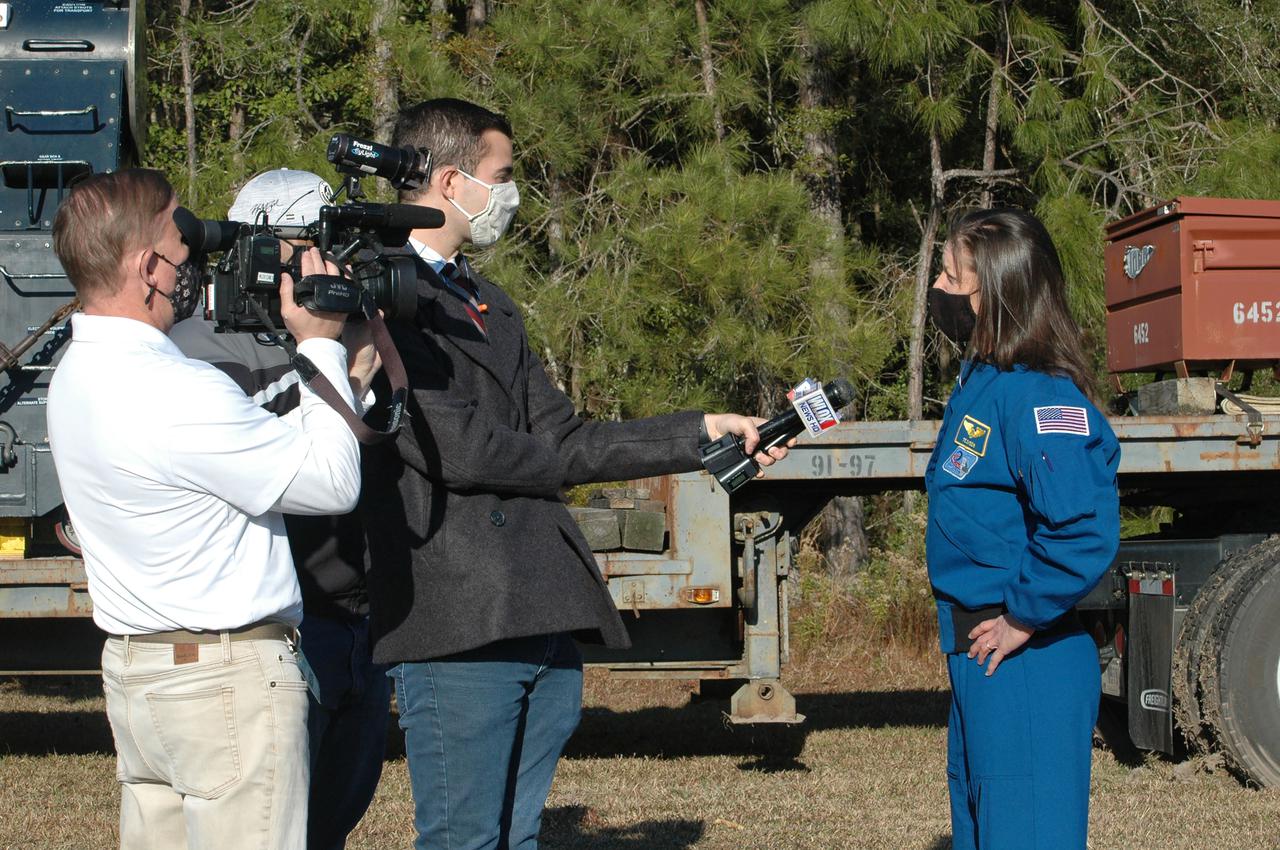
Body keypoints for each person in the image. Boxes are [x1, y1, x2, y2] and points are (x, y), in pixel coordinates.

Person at [359, 97, 789, 850]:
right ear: (453, 182)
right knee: (463, 839)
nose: (512, 194)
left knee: (515, 838)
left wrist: (701, 434)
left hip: (538, 611)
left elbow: (568, 437)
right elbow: (460, 451)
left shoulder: (490, 300)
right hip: (459, 617)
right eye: (503, 175)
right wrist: (553, 462)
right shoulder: (382, 294)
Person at [46, 168, 361, 850]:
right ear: (147, 267)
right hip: (223, 682)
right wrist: (322, 344)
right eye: (181, 243)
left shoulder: (77, 374)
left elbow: (210, 447)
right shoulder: (177, 388)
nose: (195, 261)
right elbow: (333, 483)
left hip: (140, 674)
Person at [168, 168, 388, 850]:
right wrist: (336, 378)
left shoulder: (341, 332)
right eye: (313, 245)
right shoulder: (198, 348)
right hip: (282, 629)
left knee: (328, 829)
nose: (332, 264)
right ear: (257, 249)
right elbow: (264, 466)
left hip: (360, 618)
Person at [923, 207, 1120, 850]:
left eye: (953, 277)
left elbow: (1082, 528)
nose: (939, 290)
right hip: (981, 658)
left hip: (1026, 657)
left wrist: (1022, 615)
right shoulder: (982, 380)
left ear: (998, 291)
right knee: (985, 828)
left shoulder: (1041, 396)